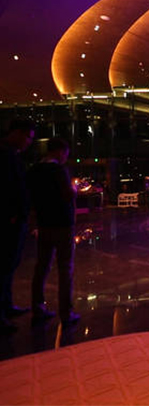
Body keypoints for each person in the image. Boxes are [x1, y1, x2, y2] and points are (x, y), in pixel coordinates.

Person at [27, 138, 79, 325]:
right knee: (65, 268)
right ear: (59, 151)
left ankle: (38, 308)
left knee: (41, 267)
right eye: (65, 153)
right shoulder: (58, 170)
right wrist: (74, 190)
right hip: (62, 224)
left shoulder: (34, 170)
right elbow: (67, 194)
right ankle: (66, 313)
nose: (65, 157)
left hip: (44, 224)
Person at [0, 118, 35, 333]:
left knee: (9, 266)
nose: (28, 142)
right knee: (4, 266)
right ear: (17, 133)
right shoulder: (5, 155)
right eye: (28, 137)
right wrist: (12, 215)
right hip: (8, 222)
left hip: (15, 219)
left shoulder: (12, 154)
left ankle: (7, 307)